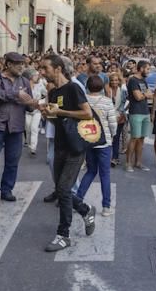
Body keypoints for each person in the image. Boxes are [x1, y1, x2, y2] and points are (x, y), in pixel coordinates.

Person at [40, 55, 93, 253]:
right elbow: (58, 121)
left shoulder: (73, 87)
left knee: (63, 189)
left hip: (76, 147)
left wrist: (61, 112)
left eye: (45, 68)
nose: (42, 73)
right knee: (62, 189)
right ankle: (85, 210)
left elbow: (87, 113)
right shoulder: (53, 92)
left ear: (58, 69)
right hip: (61, 145)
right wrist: (49, 115)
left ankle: (63, 235)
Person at [0, 52, 35, 204]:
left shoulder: (25, 81)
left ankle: (6, 190)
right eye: (18, 64)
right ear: (9, 64)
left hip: (16, 127)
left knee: (12, 161)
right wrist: (17, 94)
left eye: (23, 64)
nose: (22, 67)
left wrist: (33, 104)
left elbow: (28, 104)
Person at [74, 75, 117, 218]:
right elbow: (112, 122)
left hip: (89, 140)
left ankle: (78, 200)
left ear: (87, 86)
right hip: (104, 142)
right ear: (102, 87)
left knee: (90, 171)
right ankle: (106, 206)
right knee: (105, 174)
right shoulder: (106, 101)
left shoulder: (83, 100)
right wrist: (113, 135)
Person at [125, 60, 152, 172]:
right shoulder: (133, 80)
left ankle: (138, 162)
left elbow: (149, 95)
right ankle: (128, 163)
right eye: (147, 69)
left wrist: (145, 95)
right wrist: (145, 94)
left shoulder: (143, 81)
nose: (148, 71)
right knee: (134, 138)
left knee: (141, 138)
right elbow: (138, 97)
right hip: (136, 112)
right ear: (141, 68)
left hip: (145, 112)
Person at [25, 68, 46, 157]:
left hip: (37, 110)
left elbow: (47, 95)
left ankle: (33, 148)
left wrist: (40, 102)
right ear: (31, 76)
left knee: (34, 128)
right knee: (28, 128)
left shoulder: (40, 85)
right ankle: (28, 142)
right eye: (36, 75)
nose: (37, 77)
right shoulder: (25, 86)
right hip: (27, 111)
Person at [109, 72, 127, 168]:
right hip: (109, 117)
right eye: (112, 80)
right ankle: (107, 157)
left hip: (120, 117)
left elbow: (125, 103)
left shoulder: (123, 91)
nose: (114, 82)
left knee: (116, 138)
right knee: (108, 139)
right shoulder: (107, 90)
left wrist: (120, 114)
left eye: (116, 80)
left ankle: (114, 158)